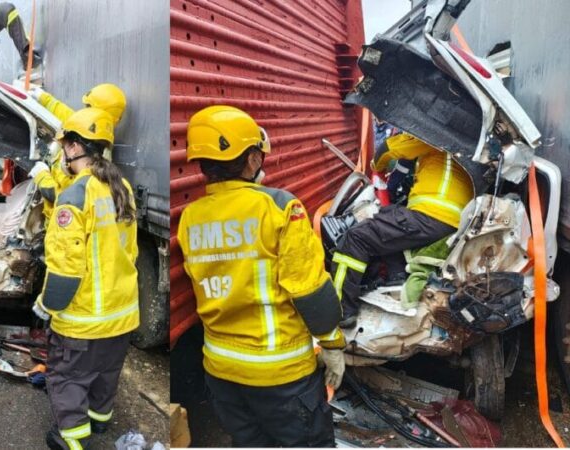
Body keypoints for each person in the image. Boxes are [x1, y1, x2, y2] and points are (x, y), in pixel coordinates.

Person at [177, 105, 346, 448]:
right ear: (253, 159)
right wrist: (331, 344)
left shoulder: (190, 217)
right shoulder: (281, 207)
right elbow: (310, 288)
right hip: (281, 376)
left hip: (221, 373)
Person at [31, 108, 139, 450]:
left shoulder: (75, 197)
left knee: (67, 378)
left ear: (75, 148)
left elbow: (65, 270)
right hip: (121, 314)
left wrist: (46, 306)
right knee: (105, 374)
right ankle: (99, 421)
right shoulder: (121, 186)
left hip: (84, 319)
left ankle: (72, 440)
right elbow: (130, 252)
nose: (62, 153)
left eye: (65, 146)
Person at [332, 133, 473, 328]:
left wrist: (376, 165)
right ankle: (395, 278)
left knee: (356, 238)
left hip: (431, 215)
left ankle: (340, 311)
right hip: (451, 221)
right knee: (391, 222)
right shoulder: (466, 144)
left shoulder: (435, 135)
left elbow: (391, 148)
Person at [29, 83, 127, 220]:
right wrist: (44, 98)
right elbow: (66, 114)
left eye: (88, 107)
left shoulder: (86, 163)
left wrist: (42, 178)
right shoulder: (95, 139)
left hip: (60, 220)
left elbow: (65, 198)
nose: (83, 111)